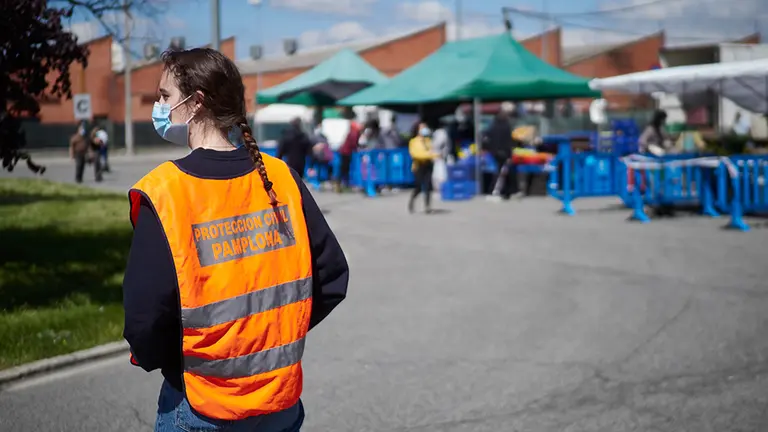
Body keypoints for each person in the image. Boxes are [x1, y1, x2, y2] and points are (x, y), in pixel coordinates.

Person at [123, 48, 349, 432]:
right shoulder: (280, 177)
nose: (158, 106)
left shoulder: (166, 191)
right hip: (279, 402)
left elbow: (145, 319)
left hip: (200, 404)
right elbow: (331, 278)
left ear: (195, 103)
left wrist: (179, 364)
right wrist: (272, 338)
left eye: (164, 96)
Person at [483, 112, 516, 199]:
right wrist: (509, 155)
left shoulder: (492, 127)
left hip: (494, 153)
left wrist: (489, 149)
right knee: (503, 172)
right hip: (504, 153)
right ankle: (500, 191)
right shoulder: (507, 127)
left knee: (498, 172)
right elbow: (509, 142)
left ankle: (496, 190)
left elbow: (486, 139)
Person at [408, 122, 438, 214]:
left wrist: (434, 155)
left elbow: (432, 151)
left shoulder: (428, 140)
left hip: (428, 165)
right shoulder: (413, 141)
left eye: (425, 127)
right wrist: (429, 155)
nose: (424, 129)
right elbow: (416, 154)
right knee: (419, 187)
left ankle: (427, 206)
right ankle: (412, 202)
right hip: (418, 166)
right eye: (422, 128)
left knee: (428, 185)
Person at [336, 120, 360, 193]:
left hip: (345, 152)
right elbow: (353, 143)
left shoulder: (351, 132)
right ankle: (342, 185)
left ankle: (341, 185)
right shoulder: (354, 133)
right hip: (346, 153)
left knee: (343, 169)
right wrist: (357, 149)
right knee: (345, 169)